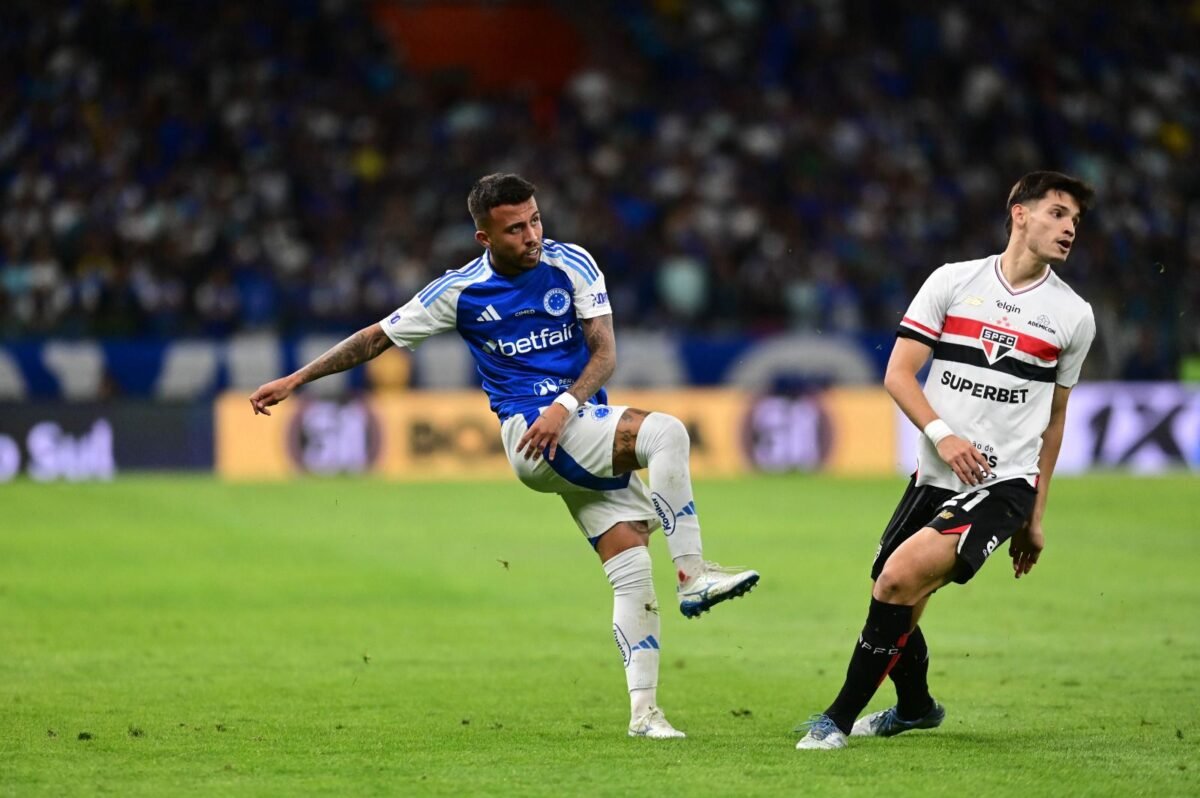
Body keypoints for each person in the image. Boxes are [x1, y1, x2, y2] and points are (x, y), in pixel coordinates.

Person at [249, 173, 759, 739]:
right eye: (515, 228)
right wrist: (296, 379)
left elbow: (605, 355)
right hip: (530, 434)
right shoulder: (460, 291)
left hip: (571, 424)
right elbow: (376, 338)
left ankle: (645, 714)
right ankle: (692, 576)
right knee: (665, 433)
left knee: (632, 567)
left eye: (535, 220)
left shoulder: (573, 263)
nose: (531, 235)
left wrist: (564, 406)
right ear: (484, 237)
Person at [795, 171, 1096, 749]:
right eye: (1057, 214)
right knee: (892, 592)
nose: (1069, 229)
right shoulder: (954, 282)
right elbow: (898, 374)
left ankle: (835, 721)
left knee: (897, 579)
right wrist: (943, 436)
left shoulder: (1073, 315)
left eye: (1075, 221)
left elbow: (1055, 420)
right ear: (1020, 213)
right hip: (937, 473)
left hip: (1003, 483)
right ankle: (916, 708)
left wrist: (1035, 514)